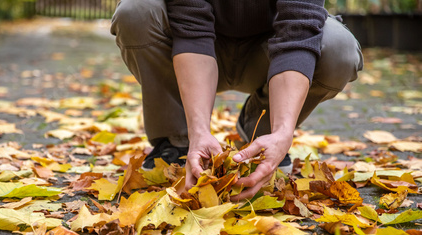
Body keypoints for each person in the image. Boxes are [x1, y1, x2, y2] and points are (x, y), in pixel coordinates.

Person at [110, 0, 363, 201]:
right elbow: (191, 26)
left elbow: (297, 32)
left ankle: (262, 133)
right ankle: (179, 140)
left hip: (268, 52)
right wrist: (198, 131)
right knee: (135, 11)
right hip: (198, 49)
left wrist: (283, 132)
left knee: (339, 48)